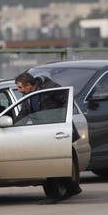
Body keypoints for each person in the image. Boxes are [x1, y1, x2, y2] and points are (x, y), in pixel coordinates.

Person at [14, 72, 83, 203]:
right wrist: (11, 126)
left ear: (28, 85)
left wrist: (65, 124)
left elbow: (67, 102)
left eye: (20, 87)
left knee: (50, 164)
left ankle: (53, 196)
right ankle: (72, 187)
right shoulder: (28, 96)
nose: (19, 91)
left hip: (57, 132)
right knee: (53, 164)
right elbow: (23, 115)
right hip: (44, 134)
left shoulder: (50, 88)